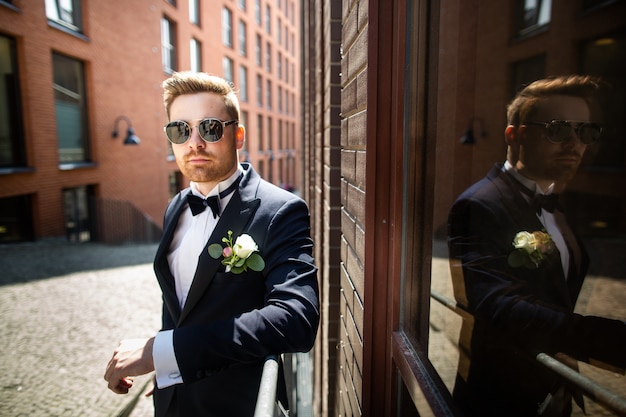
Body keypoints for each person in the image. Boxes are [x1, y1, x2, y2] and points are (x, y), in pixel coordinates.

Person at [104, 72, 319, 416]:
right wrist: (166, 366)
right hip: (173, 398)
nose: (194, 143)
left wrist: (163, 350)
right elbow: (178, 308)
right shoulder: (176, 206)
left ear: (238, 135)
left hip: (238, 404)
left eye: (209, 128)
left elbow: (296, 319)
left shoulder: (280, 210)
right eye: (181, 130)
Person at [447, 75, 626, 416]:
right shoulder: (479, 204)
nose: (575, 143)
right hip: (502, 396)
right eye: (558, 129)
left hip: (555, 384)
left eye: (586, 132)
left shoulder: (558, 202)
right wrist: (611, 341)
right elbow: (499, 305)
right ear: (515, 135)